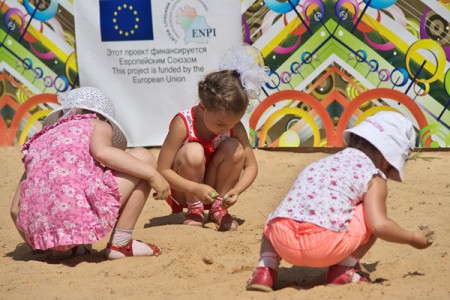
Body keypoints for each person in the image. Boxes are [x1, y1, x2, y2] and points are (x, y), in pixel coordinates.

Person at [246, 111, 434, 291]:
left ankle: (265, 271)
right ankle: (342, 270)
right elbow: (379, 226)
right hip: (322, 247)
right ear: (388, 158)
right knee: (369, 212)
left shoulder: (324, 163)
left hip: (282, 241)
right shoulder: (373, 175)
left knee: (280, 215)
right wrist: (411, 238)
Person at [10, 87, 170, 260]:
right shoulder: (96, 124)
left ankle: (65, 249)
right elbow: (102, 153)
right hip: (77, 219)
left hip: (44, 234)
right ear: (100, 115)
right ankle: (121, 244)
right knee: (142, 159)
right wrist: (153, 174)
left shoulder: (40, 140)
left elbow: (14, 210)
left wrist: (40, 243)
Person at [157, 44, 269, 231]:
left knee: (235, 147)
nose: (227, 128)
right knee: (193, 150)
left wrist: (237, 190)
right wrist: (194, 188)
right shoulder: (183, 122)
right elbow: (162, 169)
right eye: (220, 124)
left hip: (215, 188)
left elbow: (251, 166)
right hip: (186, 191)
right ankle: (195, 210)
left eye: (233, 123)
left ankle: (218, 209)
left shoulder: (233, 126)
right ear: (203, 108)